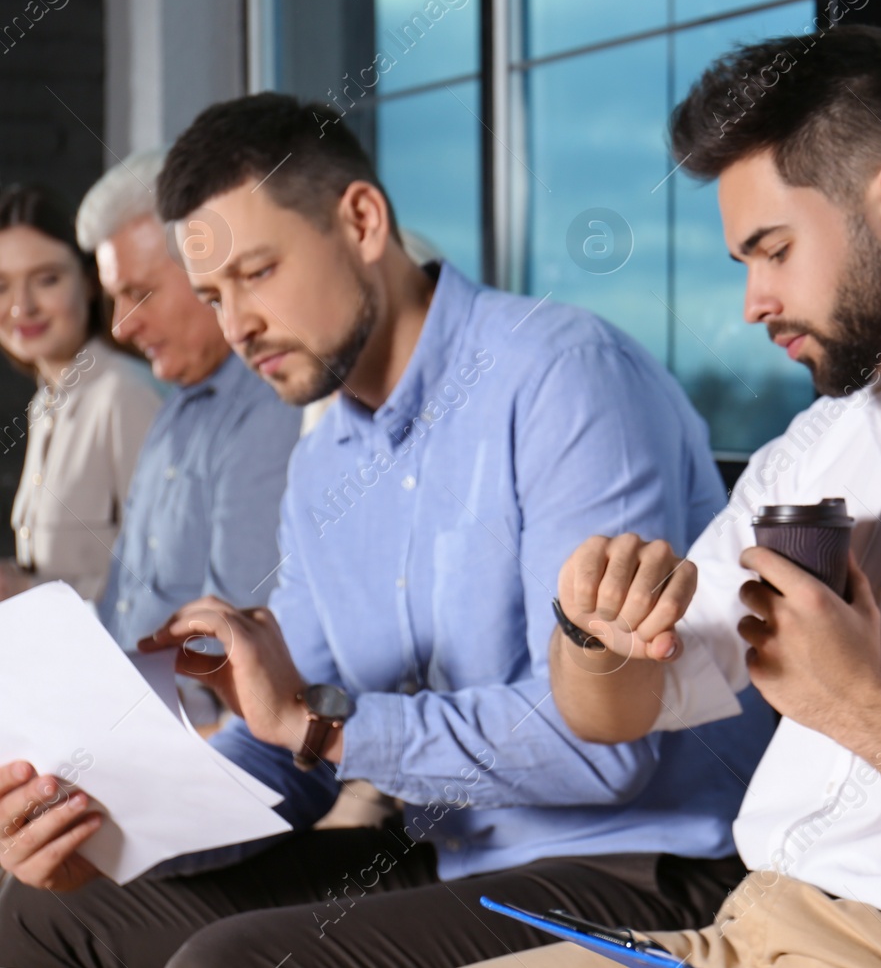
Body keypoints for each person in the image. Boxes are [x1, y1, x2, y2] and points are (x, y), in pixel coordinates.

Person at [0, 93, 773, 968]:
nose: (237, 323)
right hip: (454, 854)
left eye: (258, 272)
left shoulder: (560, 377)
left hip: (640, 860)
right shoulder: (325, 463)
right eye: (214, 294)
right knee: (46, 913)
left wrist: (321, 726)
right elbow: (293, 742)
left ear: (361, 220)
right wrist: (111, 831)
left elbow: (603, 753)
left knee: (231, 962)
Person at [465, 25, 881, 968]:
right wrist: (593, 630)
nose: (753, 300)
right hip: (742, 929)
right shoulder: (814, 451)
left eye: (771, 250)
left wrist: (859, 702)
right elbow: (617, 709)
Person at [78, 149, 302, 671]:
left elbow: (237, 659)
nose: (120, 327)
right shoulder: (175, 411)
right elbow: (122, 609)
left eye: (138, 294)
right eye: (114, 298)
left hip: (192, 744)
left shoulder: (270, 411)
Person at [0, 183, 162, 603]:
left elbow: (167, 581)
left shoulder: (125, 394)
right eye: (2, 286)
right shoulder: (44, 405)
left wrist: (30, 594)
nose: (22, 307)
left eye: (47, 279)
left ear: (91, 282)